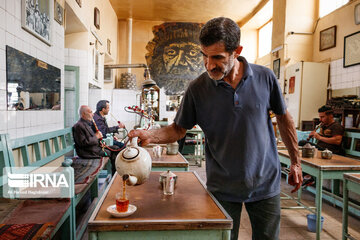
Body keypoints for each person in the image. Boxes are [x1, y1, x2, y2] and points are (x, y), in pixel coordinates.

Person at [129, 17, 302, 240]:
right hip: (223, 186)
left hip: (265, 183)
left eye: (217, 57)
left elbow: (284, 119)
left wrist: (296, 162)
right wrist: (149, 135)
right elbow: (178, 130)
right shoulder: (197, 88)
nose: (210, 65)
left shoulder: (265, 77)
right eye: (205, 56)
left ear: (236, 51)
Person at [72, 105, 120, 175]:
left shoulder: (86, 124)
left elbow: (91, 139)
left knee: (116, 148)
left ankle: (115, 173)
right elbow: (83, 143)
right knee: (110, 152)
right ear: (83, 114)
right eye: (90, 112)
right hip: (88, 152)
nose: (93, 114)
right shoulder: (79, 126)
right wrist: (96, 137)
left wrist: (100, 143)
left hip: (94, 149)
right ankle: (113, 173)